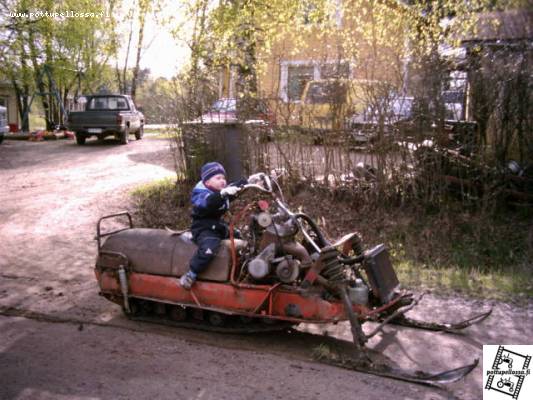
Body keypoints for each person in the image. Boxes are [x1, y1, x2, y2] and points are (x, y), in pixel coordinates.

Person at [179, 162, 244, 289]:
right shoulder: (201, 195)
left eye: (223, 178)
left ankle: (242, 266)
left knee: (238, 235)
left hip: (217, 225)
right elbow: (209, 202)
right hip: (203, 228)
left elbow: (233, 189)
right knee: (209, 248)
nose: (223, 181)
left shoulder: (219, 191)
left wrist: (248, 182)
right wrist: (222, 194)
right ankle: (191, 274)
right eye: (218, 178)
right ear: (207, 182)